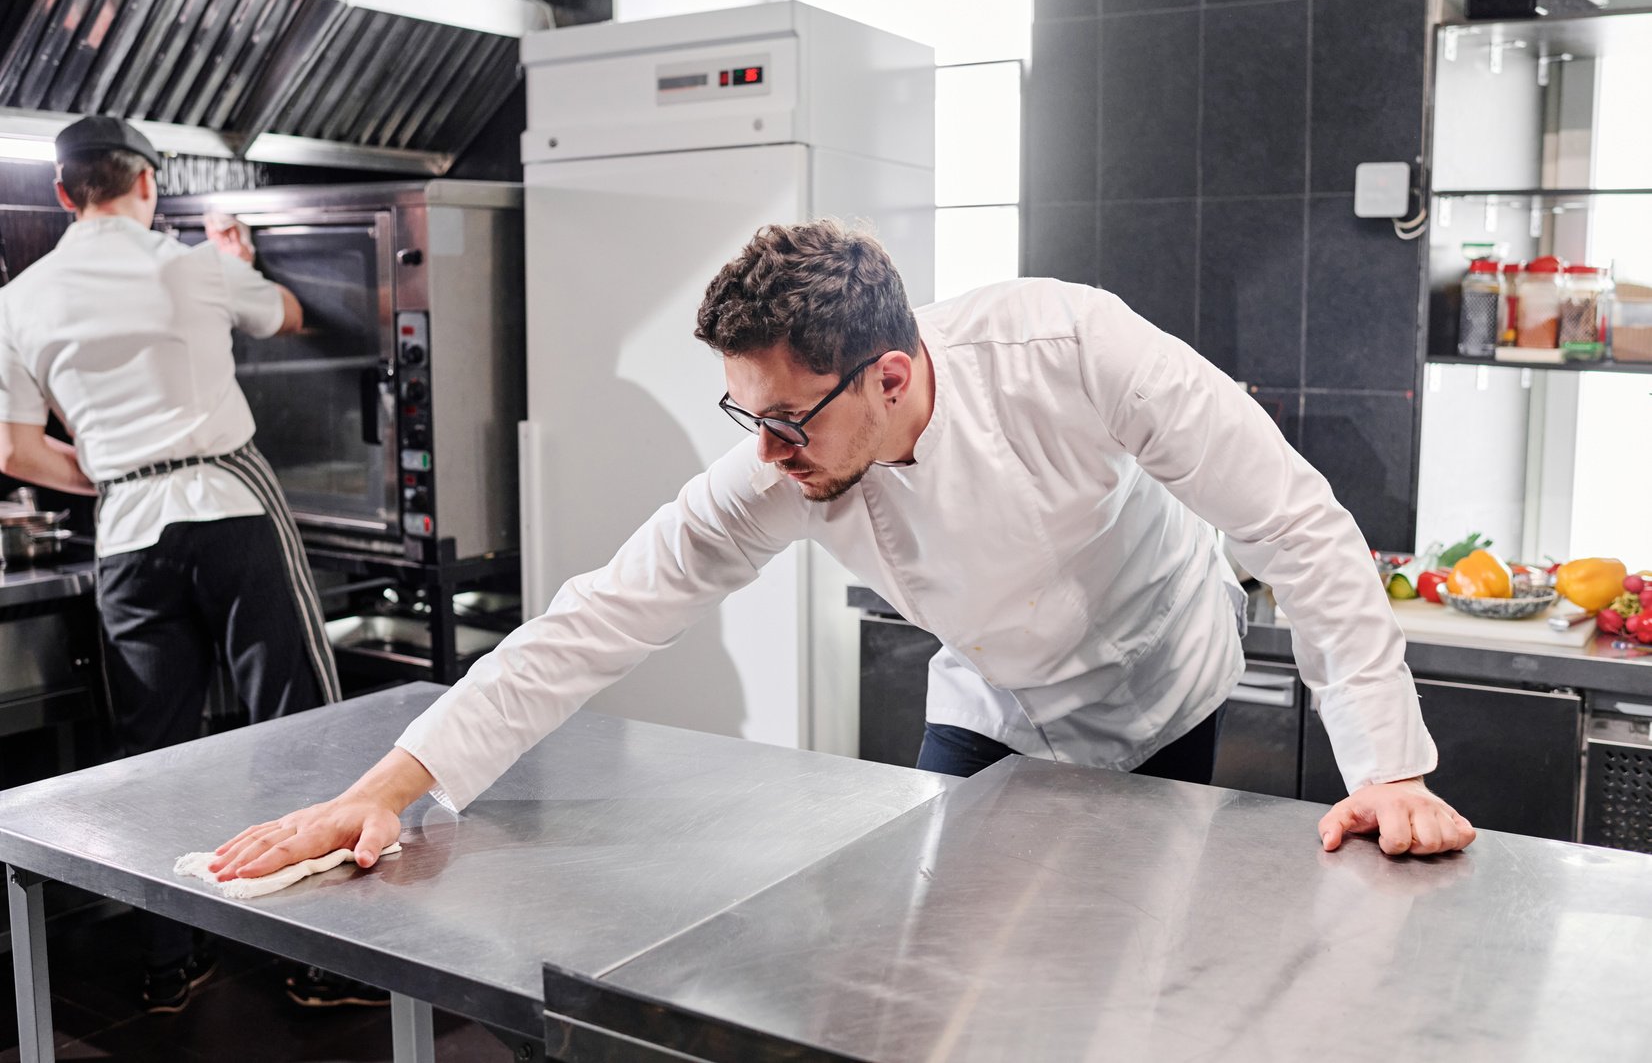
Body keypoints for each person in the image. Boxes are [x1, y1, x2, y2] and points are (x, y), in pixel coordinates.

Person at [211, 218, 1475, 888]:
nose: (762, 452)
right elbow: (598, 617)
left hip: (1160, 679)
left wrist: (1392, 767)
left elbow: (1294, 524)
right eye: (742, 415)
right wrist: (383, 791)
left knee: (1130, 953)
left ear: (888, 372)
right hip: (992, 700)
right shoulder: (793, 459)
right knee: (940, 958)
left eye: (783, 419)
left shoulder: (1073, 347)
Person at [0, 116, 346, 1013]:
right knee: (296, 726)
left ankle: (169, 966)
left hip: (127, 535)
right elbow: (294, 314)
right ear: (146, 185)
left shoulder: (21, 298)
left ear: (64, 194)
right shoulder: (189, 265)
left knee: (153, 754)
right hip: (231, 507)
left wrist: (118, 471)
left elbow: (16, 450)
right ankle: (319, 962)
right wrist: (237, 258)